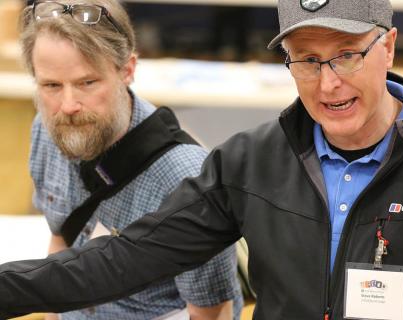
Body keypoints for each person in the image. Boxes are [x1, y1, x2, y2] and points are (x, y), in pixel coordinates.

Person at [0, 0, 403, 319]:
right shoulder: (250, 163)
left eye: (347, 55)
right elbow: (125, 259)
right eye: (306, 60)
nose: (328, 83)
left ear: (389, 46)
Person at [19, 0, 242, 319]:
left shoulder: (185, 176)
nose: (68, 105)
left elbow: (211, 312)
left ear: (128, 70)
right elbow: (61, 239)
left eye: (87, 82)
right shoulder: (46, 128)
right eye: (51, 85)